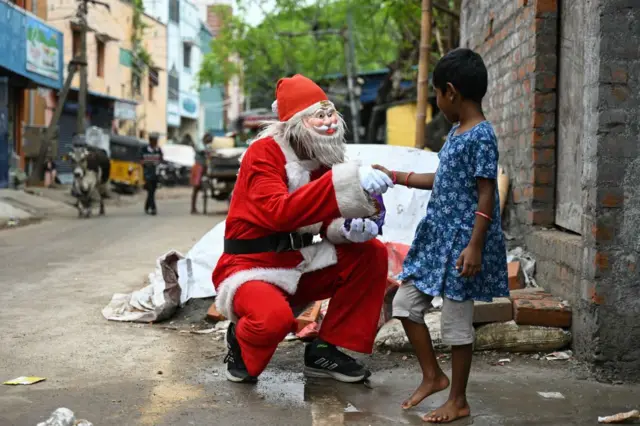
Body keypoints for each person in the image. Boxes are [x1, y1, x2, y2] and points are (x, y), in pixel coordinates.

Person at [212, 74, 394, 384]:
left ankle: (326, 348)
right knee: (274, 321)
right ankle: (241, 337)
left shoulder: (320, 156)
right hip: (251, 267)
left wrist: (349, 228)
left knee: (371, 254)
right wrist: (347, 179)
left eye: (329, 114)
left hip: (298, 261)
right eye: (317, 116)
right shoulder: (263, 153)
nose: (327, 122)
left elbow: (322, 215)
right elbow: (280, 213)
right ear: (295, 122)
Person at [373, 48, 508, 423]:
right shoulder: (456, 132)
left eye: (436, 93)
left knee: (455, 325)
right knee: (405, 304)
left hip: (464, 242)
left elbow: (487, 192)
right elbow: (443, 180)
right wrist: (397, 177)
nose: (435, 101)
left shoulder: (482, 136)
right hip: (437, 240)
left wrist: (475, 246)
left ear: (451, 92)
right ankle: (433, 376)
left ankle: (458, 399)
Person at [141, 132, 163, 215]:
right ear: (150, 141)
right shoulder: (144, 149)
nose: (156, 142)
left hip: (156, 174)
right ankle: (153, 208)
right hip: (147, 173)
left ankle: (147, 206)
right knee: (150, 190)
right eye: (154, 140)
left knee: (152, 191)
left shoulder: (158, 149)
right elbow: (141, 160)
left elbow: (160, 159)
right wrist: (152, 160)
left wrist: (151, 160)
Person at [191, 133, 212, 214]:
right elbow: (204, 152)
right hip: (198, 167)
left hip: (203, 168)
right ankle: (193, 208)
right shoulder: (200, 145)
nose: (209, 142)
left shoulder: (205, 146)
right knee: (196, 188)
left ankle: (194, 208)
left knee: (200, 187)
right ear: (205, 139)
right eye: (208, 141)